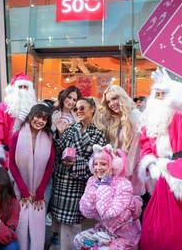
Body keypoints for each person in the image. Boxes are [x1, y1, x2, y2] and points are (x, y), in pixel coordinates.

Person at [138, 68, 182, 250]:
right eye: (158, 94)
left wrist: (175, 90)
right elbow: (145, 143)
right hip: (163, 178)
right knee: (162, 230)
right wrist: (151, 163)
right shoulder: (152, 121)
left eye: (164, 94)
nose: (160, 98)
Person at [50, 97, 106, 250]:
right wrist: (58, 132)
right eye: (76, 109)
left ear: (92, 109)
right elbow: (60, 150)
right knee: (62, 225)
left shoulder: (98, 133)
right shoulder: (71, 128)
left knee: (74, 224)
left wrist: (76, 162)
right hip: (62, 182)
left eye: (82, 108)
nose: (78, 111)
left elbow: (96, 162)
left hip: (78, 183)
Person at [73, 144, 142, 250]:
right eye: (95, 164)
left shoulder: (124, 184)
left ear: (113, 165)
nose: (98, 168)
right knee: (79, 240)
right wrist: (94, 186)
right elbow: (86, 211)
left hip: (124, 236)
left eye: (103, 164)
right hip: (104, 231)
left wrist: (104, 185)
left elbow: (107, 213)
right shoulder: (93, 181)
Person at [9, 104, 55, 250]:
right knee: (21, 225)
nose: (40, 121)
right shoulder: (17, 135)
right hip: (20, 189)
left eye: (44, 119)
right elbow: (11, 164)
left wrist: (41, 190)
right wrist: (23, 189)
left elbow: (50, 165)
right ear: (31, 116)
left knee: (38, 227)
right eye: (38, 116)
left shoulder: (49, 137)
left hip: (40, 192)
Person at [48, 86, 81, 247]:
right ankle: (55, 232)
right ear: (63, 97)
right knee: (54, 198)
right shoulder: (52, 114)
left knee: (65, 202)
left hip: (67, 164)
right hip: (52, 160)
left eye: (74, 99)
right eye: (69, 97)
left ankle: (66, 237)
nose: (71, 101)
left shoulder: (76, 118)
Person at [99, 85, 143, 195]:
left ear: (122, 97)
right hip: (117, 173)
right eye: (108, 102)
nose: (111, 104)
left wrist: (125, 172)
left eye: (114, 98)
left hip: (132, 173)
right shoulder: (114, 119)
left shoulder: (136, 116)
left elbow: (136, 150)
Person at [0, 73, 37, 168]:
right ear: (13, 89)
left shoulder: (35, 108)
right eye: (20, 87)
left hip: (30, 156)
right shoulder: (2, 108)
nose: (22, 90)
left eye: (25, 87)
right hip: (8, 156)